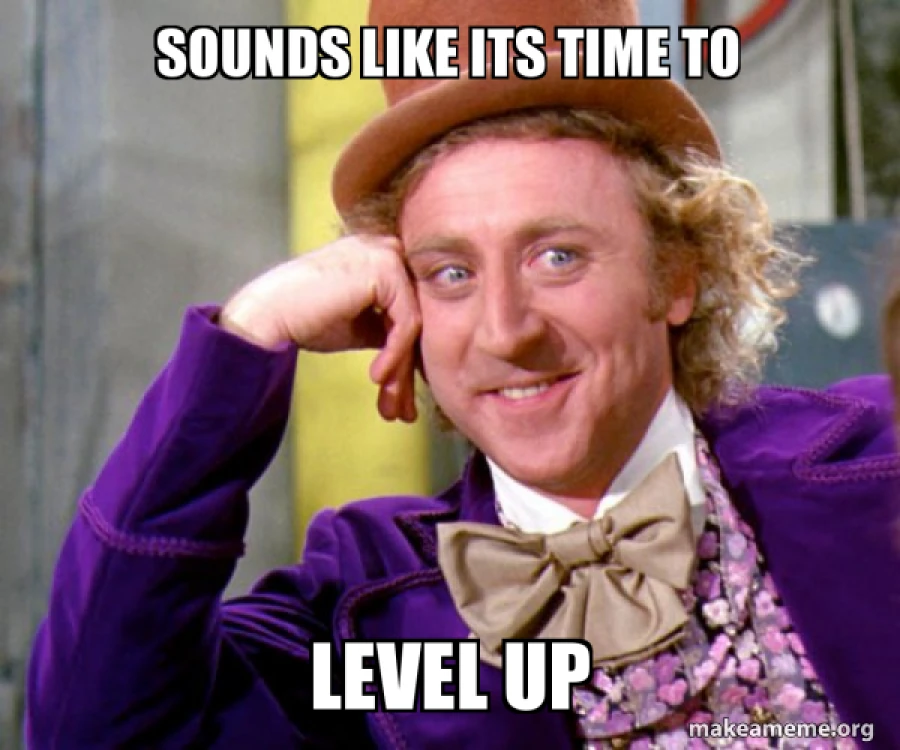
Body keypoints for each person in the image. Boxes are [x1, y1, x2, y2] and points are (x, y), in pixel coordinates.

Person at [26, 1, 900, 748]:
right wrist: (248, 338)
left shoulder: (880, 464)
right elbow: (92, 730)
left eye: (558, 257)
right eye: (451, 273)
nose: (506, 330)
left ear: (678, 272)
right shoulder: (359, 609)